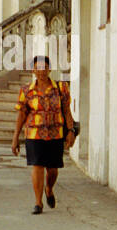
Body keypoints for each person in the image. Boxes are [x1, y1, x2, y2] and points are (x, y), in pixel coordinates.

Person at [12, 55, 76, 214]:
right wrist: (15, 139)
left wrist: (71, 131)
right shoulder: (26, 90)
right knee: (37, 166)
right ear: (33, 70)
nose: (41, 71)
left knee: (53, 169)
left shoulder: (61, 88)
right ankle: (38, 202)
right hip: (34, 134)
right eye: (38, 68)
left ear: (49, 69)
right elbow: (21, 115)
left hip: (55, 134)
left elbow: (67, 111)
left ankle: (49, 188)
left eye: (44, 68)